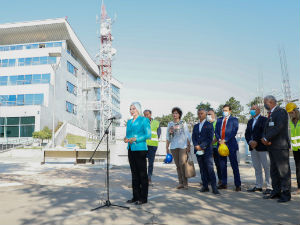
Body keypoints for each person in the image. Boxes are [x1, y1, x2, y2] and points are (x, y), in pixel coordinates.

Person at [262, 95, 291, 203]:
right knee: (274, 171)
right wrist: (264, 138)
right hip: (271, 146)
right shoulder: (271, 113)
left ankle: (286, 193)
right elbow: (267, 128)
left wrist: (266, 137)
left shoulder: (281, 112)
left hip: (280, 146)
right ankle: (276, 191)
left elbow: (278, 127)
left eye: (265, 102)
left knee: (283, 171)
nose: (265, 105)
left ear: (271, 102)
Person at [124, 102, 151, 205]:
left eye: (133, 108)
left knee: (142, 175)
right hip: (131, 149)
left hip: (140, 149)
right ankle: (135, 197)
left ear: (138, 109)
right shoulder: (129, 122)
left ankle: (143, 198)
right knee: (134, 174)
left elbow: (148, 135)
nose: (131, 110)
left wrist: (136, 138)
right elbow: (128, 135)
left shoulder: (144, 120)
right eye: (130, 109)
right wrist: (126, 139)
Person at [245, 105, 272, 194]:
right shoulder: (250, 121)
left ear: (259, 110)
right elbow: (247, 134)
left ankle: (269, 186)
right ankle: (258, 185)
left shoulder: (264, 120)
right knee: (257, 168)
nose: (252, 111)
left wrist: (256, 141)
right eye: (251, 109)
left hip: (262, 147)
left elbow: (264, 132)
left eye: (254, 109)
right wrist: (250, 141)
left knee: (267, 167)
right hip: (252, 148)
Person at [192, 109, 220, 194]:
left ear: (205, 114)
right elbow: (193, 137)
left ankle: (214, 187)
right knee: (202, 169)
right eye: (199, 114)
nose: (200, 115)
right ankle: (205, 186)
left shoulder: (209, 125)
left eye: (202, 113)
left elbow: (209, 138)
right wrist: (196, 145)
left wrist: (201, 146)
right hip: (198, 150)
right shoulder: (196, 126)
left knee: (209, 168)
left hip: (206, 150)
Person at [215, 104, 241, 191]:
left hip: (230, 145)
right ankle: (224, 183)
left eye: (226, 110)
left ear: (230, 111)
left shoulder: (234, 120)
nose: (224, 112)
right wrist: (219, 139)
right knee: (222, 165)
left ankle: (237, 184)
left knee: (234, 165)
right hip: (221, 145)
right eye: (223, 110)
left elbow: (234, 131)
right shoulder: (219, 120)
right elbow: (216, 131)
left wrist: (225, 140)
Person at [166, 107, 191, 189]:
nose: (174, 114)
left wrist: (188, 145)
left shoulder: (183, 122)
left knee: (183, 164)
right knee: (178, 165)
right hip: (173, 146)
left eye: (176, 113)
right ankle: (180, 182)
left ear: (179, 114)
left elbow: (187, 134)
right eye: (173, 113)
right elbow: (168, 137)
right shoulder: (170, 124)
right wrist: (167, 147)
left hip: (182, 146)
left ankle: (185, 183)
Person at [143, 109, 161, 186]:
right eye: (145, 115)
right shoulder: (142, 122)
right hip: (143, 145)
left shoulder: (156, 123)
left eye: (147, 114)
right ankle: (143, 177)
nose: (146, 116)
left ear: (151, 114)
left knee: (151, 162)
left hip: (153, 145)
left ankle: (149, 176)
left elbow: (158, 134)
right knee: (142, 162)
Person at [285, 102, 300, 195]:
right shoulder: (290, 122)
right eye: (289, 113)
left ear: (296, 111)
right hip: (296, 149)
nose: (290, 114)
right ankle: (299, 188)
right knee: (298, 169)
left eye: (291, 112)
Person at [207, 109, 222, 185]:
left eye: (210, 114)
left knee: (218, 164)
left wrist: (212, 142)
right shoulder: (206, 124)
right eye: (208, 114)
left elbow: (218, 135)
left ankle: (220, 179)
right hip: (208, 148)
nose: (209, 116)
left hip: (216, 146)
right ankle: (209, 180)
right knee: (209, 164)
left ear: (214, 115)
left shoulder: (217, 123)